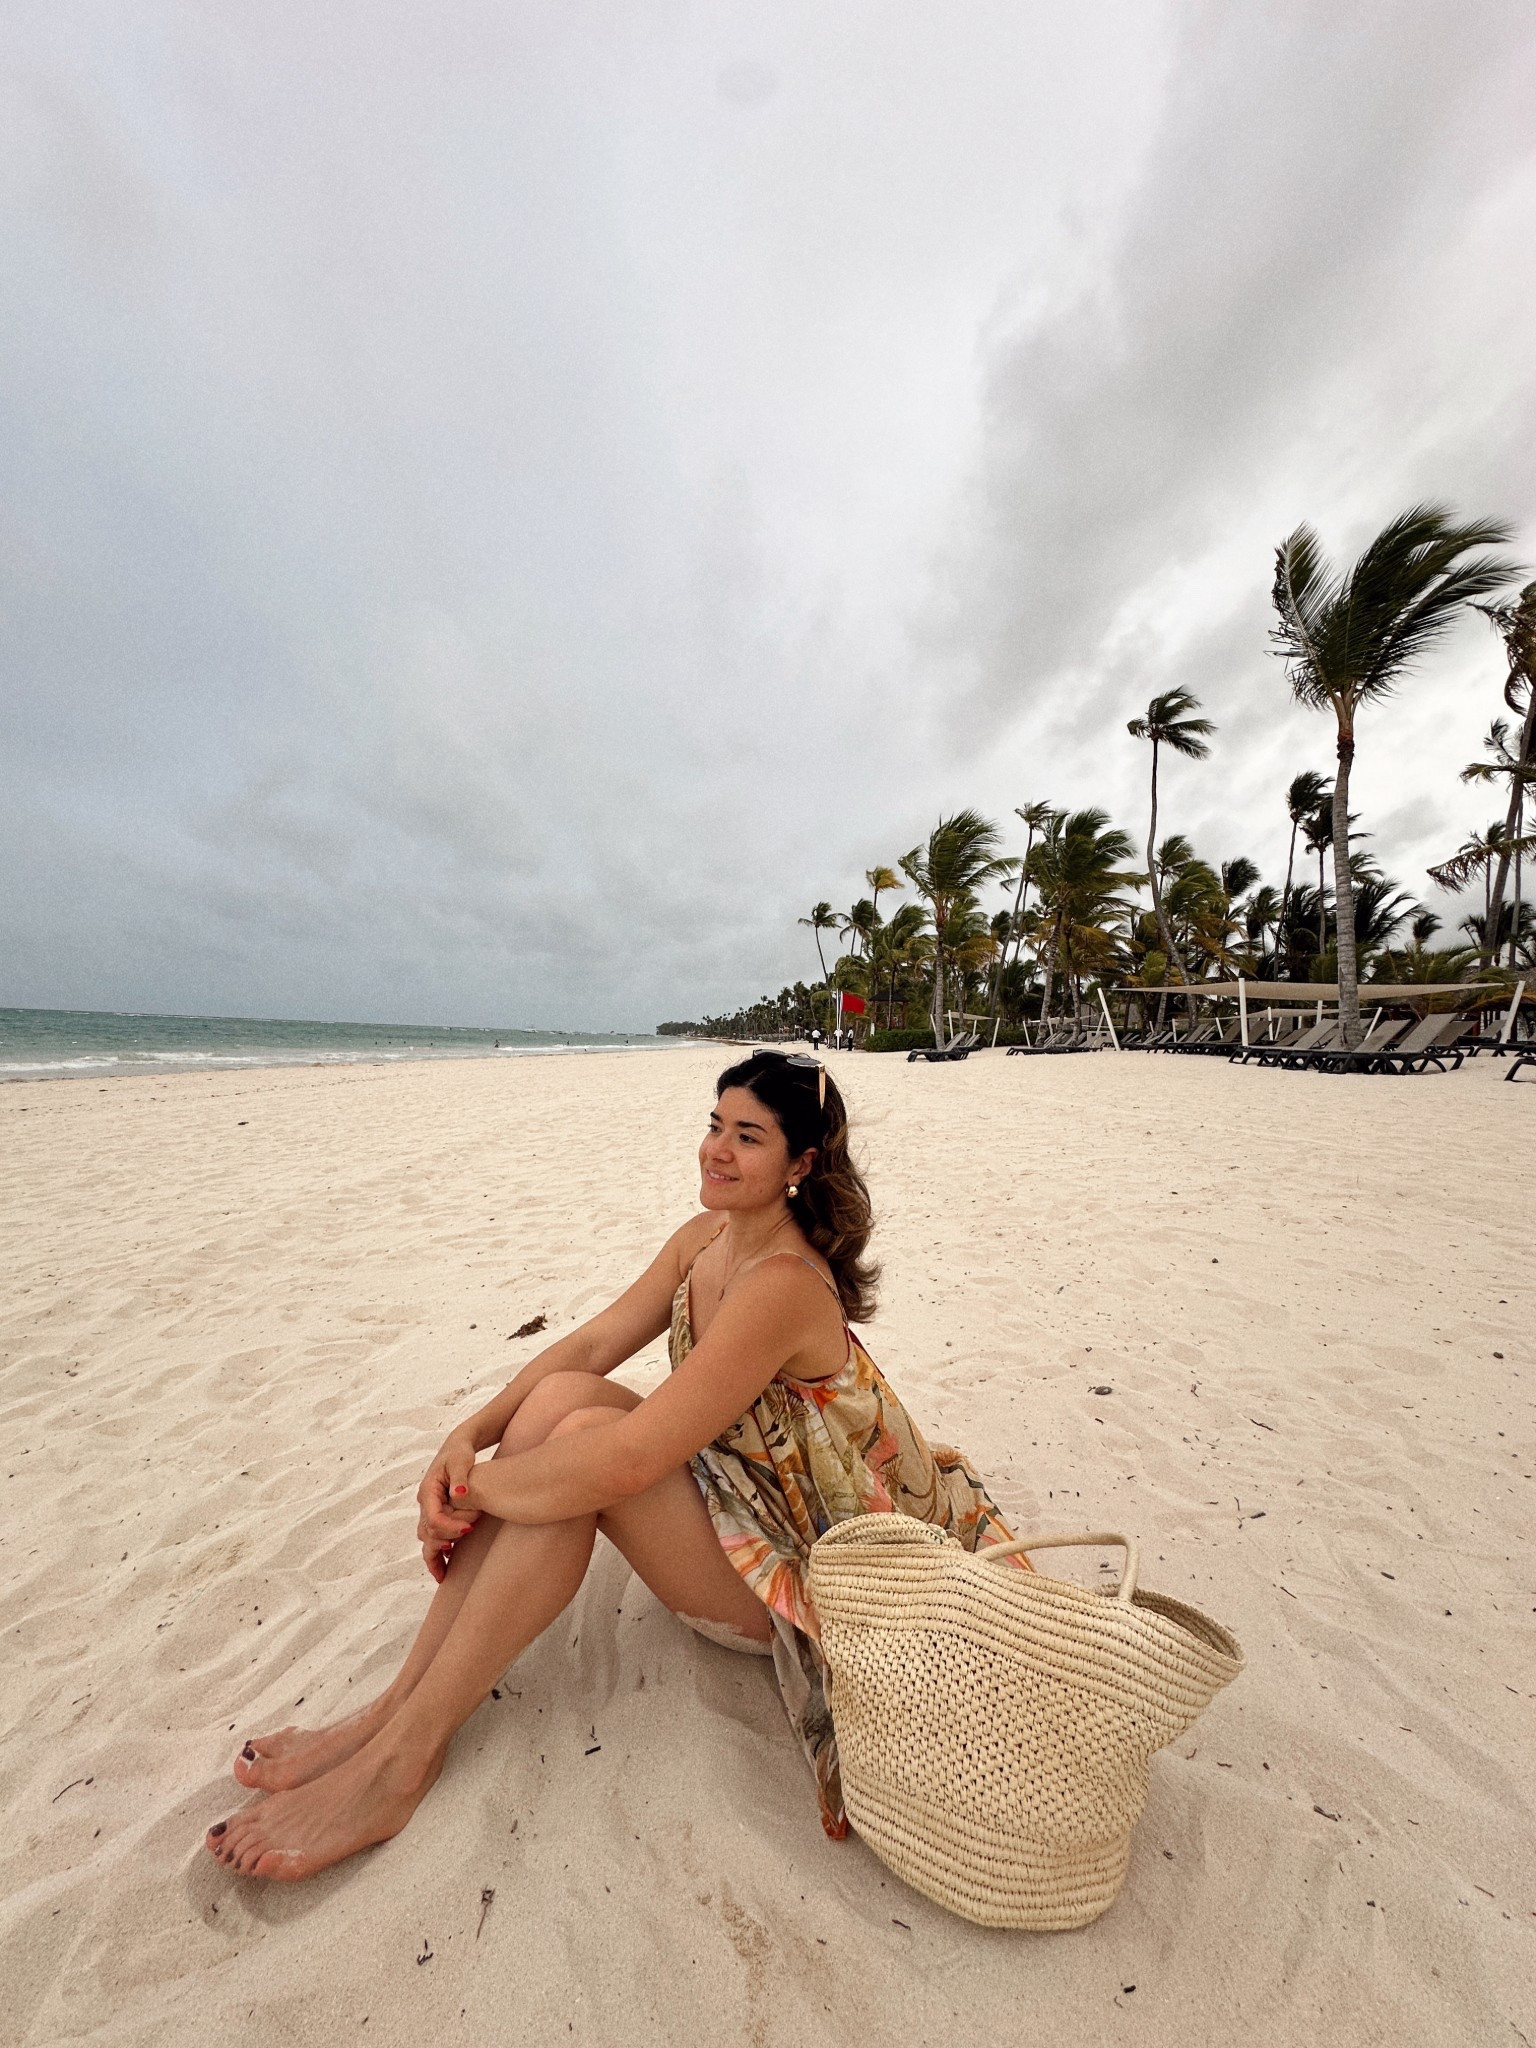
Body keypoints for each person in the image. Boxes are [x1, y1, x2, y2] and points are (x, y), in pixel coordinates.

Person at [205, 1050, 1020, 1881]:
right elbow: (594, 1342)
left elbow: (630, 1458)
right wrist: (468, 1435)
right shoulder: (707, 1238)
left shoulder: (784, 1284)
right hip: (738, 1491)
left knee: (584, 1451)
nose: (717, 1150)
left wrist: (470, 1491)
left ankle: (399, 1764)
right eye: (715, 1125)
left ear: (800, 1166)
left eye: (749, 1137)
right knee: (564, 1396)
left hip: (797, 1558)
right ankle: (386, 1715)